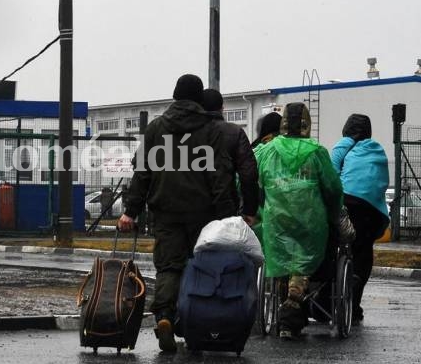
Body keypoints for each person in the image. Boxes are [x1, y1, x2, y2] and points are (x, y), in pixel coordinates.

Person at [119, 74, 236, 352]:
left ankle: (165, 317)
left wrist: (130, 211)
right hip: (203, 213)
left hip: (166, 210)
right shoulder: (211, 130)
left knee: (169, 267)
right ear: (198, 99)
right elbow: (221, 176)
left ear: (174, 95)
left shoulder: (157, 128)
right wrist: (228, 216)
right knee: (202, 266)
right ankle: (195, 320)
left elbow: (142, 174)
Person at [255, 103, 343, 339]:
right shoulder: (317, 152)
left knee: (283, 261)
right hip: (310, 223)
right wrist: (335, 213)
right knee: (302, 264)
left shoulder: (266, 151)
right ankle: (295, 299)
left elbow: (245, 177)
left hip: (276, 222)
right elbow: (333, 189)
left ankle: (288, 306)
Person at [331, 114, 389, 323]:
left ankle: (327, 296)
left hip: (347, 202)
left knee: (331, 242)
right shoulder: (378, 150)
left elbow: (330, 175)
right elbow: (382, 181)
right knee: (364, 251)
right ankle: (354, 305)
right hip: (372, 211)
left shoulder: (343, 146)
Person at [201, 88, 260, 221]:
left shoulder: (188, 132)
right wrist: (249, 209)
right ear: (222, 108)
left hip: (191, 207)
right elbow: (248, 174)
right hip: (224, 207)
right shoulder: (235, 132)